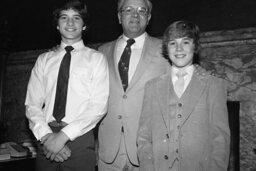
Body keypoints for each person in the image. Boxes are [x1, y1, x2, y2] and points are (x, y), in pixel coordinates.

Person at [25, 1, 109, 171]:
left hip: (79, 138)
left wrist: (63, 136)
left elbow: (98, 106)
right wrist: (47, 136)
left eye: (76, 18)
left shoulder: (97, 59)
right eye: (64, 18)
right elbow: (32, 105)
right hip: (45, 137)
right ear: (57, 25)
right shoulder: (44, 60)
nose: (70, 23)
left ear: (84, 25)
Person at [137, 20, 230, 171]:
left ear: (195, 46)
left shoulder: (214, 85)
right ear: (166, 48)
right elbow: (144, 137)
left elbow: (220, 140)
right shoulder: (152, 87)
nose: (179, 49)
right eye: (173, 43)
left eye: (185, 42)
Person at [97, 0, 169, 170]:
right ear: (119, 16)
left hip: (148, 150)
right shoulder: (101, 52)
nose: (135, 15)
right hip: (108, 152)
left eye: (142, 10)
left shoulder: (166, 50)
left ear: (149, 17)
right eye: (128, 10)